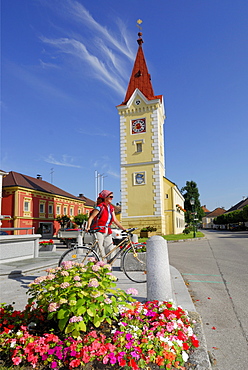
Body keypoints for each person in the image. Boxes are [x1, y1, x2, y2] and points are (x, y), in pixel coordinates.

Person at [86, 190, 125, 261]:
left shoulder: (111, 208)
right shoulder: (100, 207)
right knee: (99, 248)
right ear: (105, 197)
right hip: (98, 230)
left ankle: (109, 264)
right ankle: (98, 265)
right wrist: (88, 227)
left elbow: (115, 220)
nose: (112, 198)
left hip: (107, 230)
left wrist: (124, 229)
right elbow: (91, 218)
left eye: (112, 197)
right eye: (110, 197)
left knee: (109, 248)